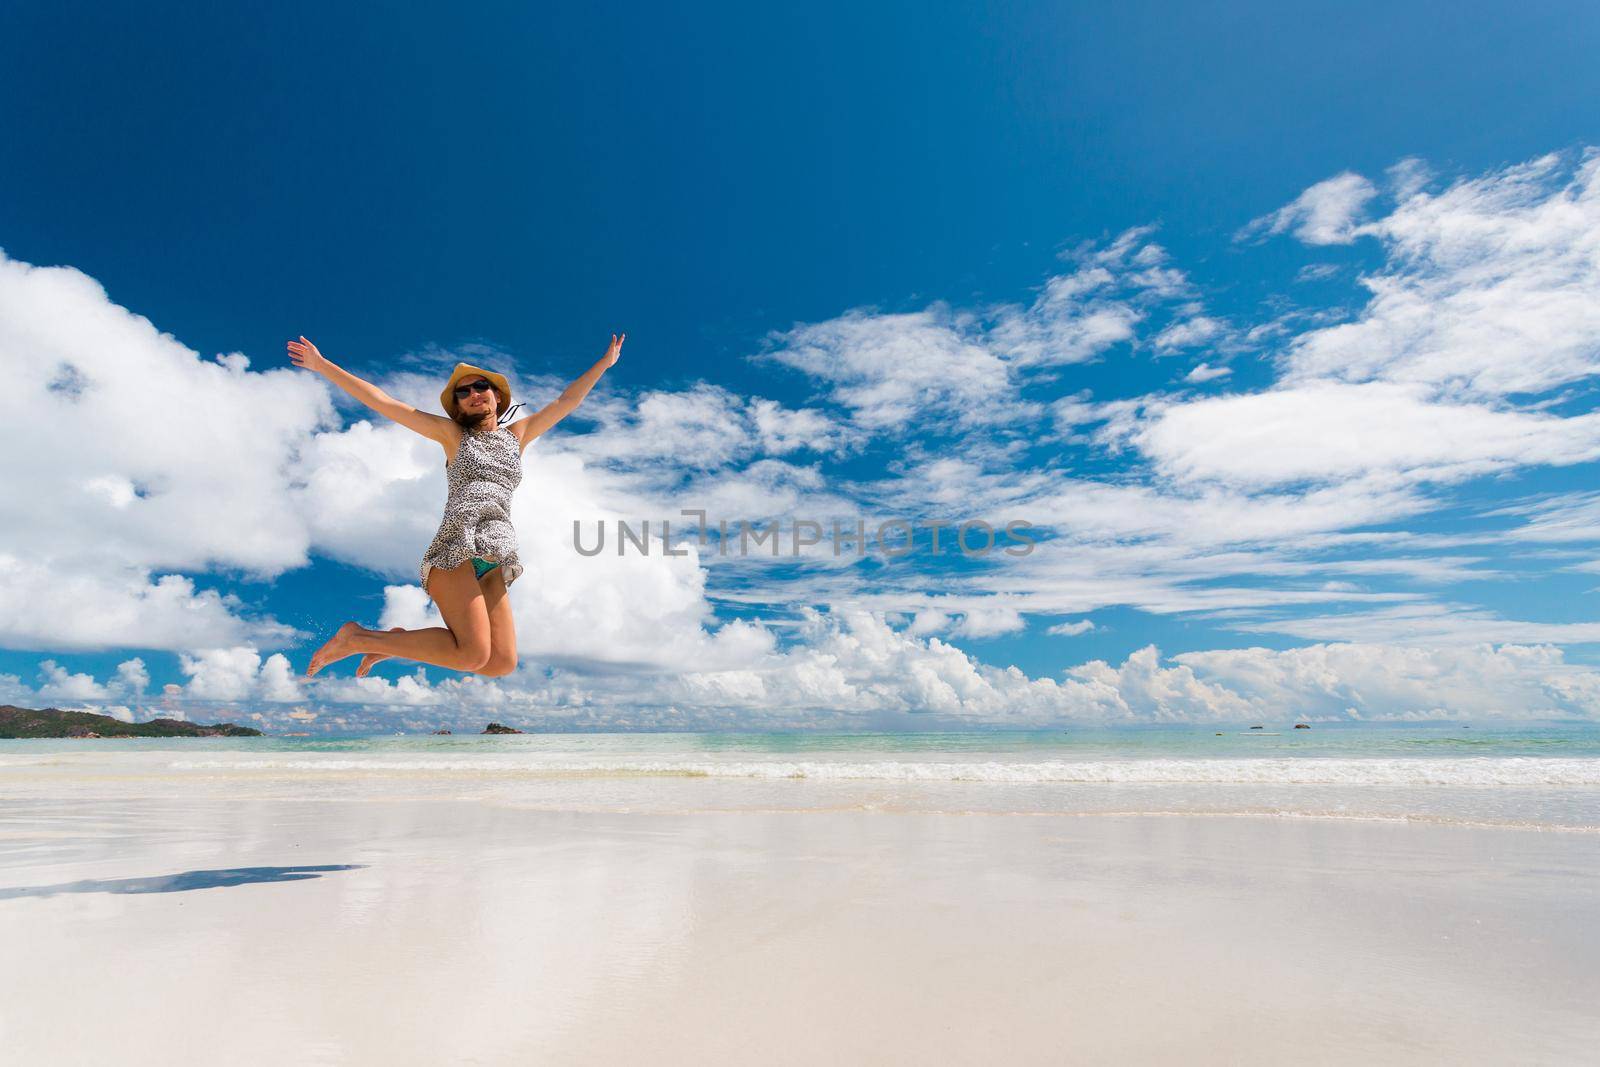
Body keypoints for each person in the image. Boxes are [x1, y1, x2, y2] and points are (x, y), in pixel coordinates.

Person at [289, 332, 624, 678]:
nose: (473, 394)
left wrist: (604, 363)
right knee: (471, 655)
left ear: (497, 396)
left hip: (496, 555)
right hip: (456, 548)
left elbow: (566, 401)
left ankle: (390, 643)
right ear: (458, 407)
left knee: (500, 664)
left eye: (480, 386)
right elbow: (386, 403)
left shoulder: (517, 436)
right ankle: (356, 637)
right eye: (463, 392)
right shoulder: (454, 436)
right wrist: (322, 365)